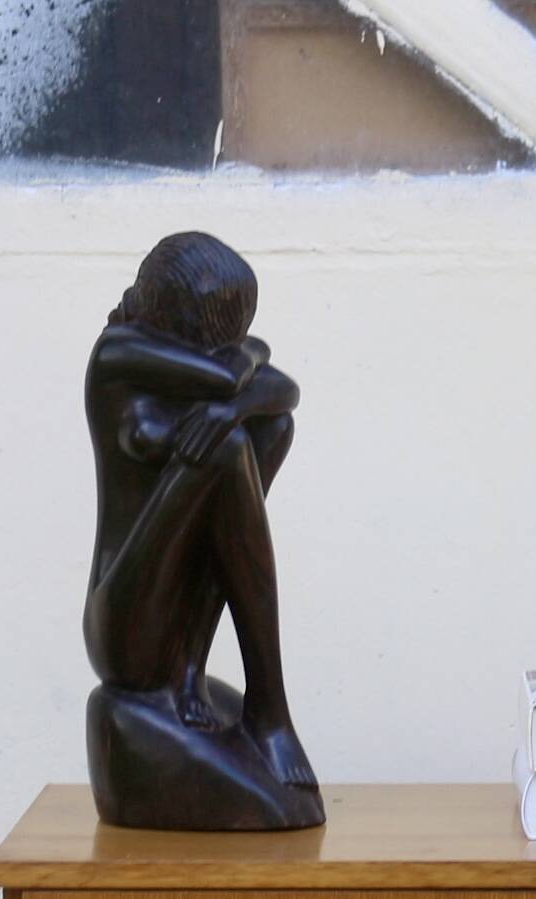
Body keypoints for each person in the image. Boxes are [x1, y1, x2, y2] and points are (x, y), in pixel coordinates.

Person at [81, 231, 322, 828]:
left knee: (267, 433)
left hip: (174, 627)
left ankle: (215, 684)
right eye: (220, 340)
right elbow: (230, 379)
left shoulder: (187, 365)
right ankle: (270, 708)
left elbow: (282, 393)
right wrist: (245, 367)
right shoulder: (115, 353)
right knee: (225, 446)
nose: (231, 349)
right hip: (121, 625)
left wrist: (237, 393)